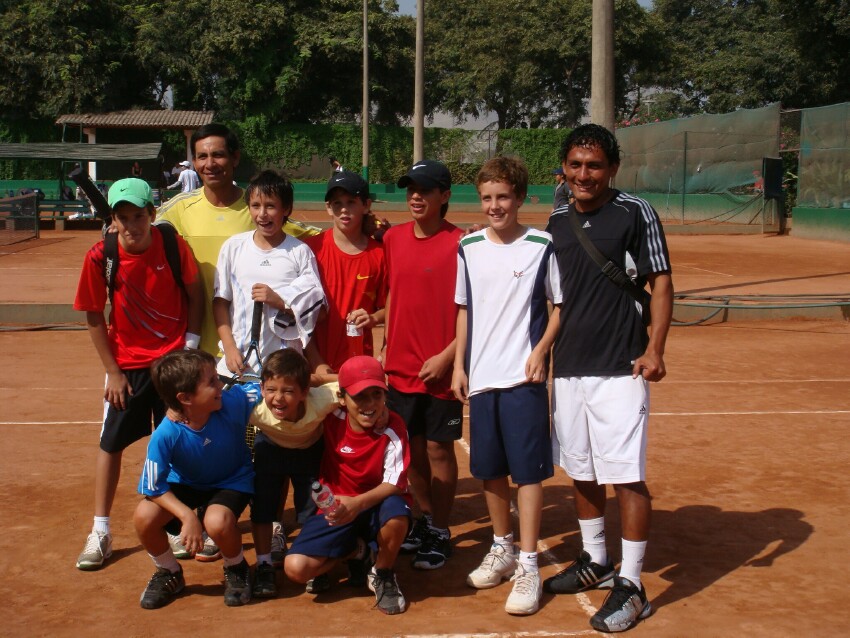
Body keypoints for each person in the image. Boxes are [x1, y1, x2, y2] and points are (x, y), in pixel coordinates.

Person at [544, 124, 673, 633]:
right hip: (569, 369)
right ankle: (596, 560)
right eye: (575, 165)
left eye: (594, 166)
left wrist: (655, 348)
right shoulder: (555, 221)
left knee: (625, 475)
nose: (583, 175)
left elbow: (660, 283)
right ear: (564, 169)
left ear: (612, 169)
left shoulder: (634, 212)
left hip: (621, 367)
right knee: (582, 468)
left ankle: (633, 583)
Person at [73, 178, 203, 571]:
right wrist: (112, 371)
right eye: (123, 217)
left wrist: (190, 350)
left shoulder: (172, 244)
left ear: (152, 213)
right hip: (127, 367)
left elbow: (195, 294)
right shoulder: (101, 256)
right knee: (111, 445)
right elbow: (93, 314)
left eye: (139, 216)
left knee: (179, 445)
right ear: (113, 219)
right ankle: (100, 530)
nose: (132, 225)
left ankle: (176, 521)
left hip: (172, 364)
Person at [452, 156, 562, 615]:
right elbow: (464, 309)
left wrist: (540, 352)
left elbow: (560, 306)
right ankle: (502, 548)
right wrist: (459, 365)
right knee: (490, 471)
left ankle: (530, 563)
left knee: (529, 472)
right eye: (487, 198)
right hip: (480, 378)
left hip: (523, 378)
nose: (495, 206)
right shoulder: (469, 247)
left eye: (503, 197)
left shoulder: (543, 244)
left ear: (520, 198)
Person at [156, 123, 320, 355]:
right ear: (194, 163)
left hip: (249, 349)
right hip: (198, 344)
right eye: (202, 157)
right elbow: (138, 226)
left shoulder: (257, 207)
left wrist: (370, 227)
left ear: (235, 158)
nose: (209, 164)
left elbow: (319, 235)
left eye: (218, 155)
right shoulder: (179, 208)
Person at [381, 160, 463, 570]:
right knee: (410, 452)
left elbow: (473, 310)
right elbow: (395, 292)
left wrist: (448, 356)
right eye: (411, 188)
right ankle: (426, 521)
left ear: (444, 195)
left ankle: (443, 530)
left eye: (426, 189)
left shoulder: (462, 243)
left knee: (438, 449)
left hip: (442, 370)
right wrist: (385, 345)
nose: (416, 196)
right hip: (399, 368)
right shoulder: (393, 238)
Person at [284, 355, 411, 615]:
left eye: (377, 395)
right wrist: (330, 378)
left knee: (398, 514)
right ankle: (357, 551)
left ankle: (383, 573)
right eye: (360, 396)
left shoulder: (393, 426)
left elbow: (396, 483)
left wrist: (358, 503)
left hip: (376, 503)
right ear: (341, 397)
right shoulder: (330, 414)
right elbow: (301, 383)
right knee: (296, 568)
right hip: (336, 507)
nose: (370, 404)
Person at [134, 350, 258, 609]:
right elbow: (153, 487)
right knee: (144, 516)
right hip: (187, 483)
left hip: (232, 479)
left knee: (217, 522)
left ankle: (236, 568)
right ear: (185, 398)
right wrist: (187, 516)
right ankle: (169, 572)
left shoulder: (231, 401)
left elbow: (270, 388)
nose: (221, 385)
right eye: (212, 381)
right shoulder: (166, 433)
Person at [212, 169, 325, 381]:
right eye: (255, 206)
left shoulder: (300, 252)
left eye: (270, 206)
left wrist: (280, 301)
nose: (262, 214)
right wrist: (229, 348)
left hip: (284, 371)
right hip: (238, 366)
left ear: (286, 209)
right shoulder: (232, 247)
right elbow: (220, 303)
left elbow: (316, 310)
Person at [248, 348, 339, 599]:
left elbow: (353, 382)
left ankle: (313, 559)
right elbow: (214, 401)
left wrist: (320, 378)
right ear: (262, 387)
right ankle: (265, 564)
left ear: (304, 392)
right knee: (263, 507)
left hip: (309, 454)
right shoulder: (252, 404)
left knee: (311, 509)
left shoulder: (322, 399)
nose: (278, 398)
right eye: (271, 389)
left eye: (288, 391)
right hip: (270, 449)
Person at [304, 170, 388, 372]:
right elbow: (299, 316)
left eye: (351, 202)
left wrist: (373, 318)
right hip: (314, 366)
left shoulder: (380, 254)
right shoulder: (309, 250)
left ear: (366, 205)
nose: (344, 210)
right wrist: (317, 364)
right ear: (328, 208)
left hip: (358, 367)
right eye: (337, 203)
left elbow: (391, 309)